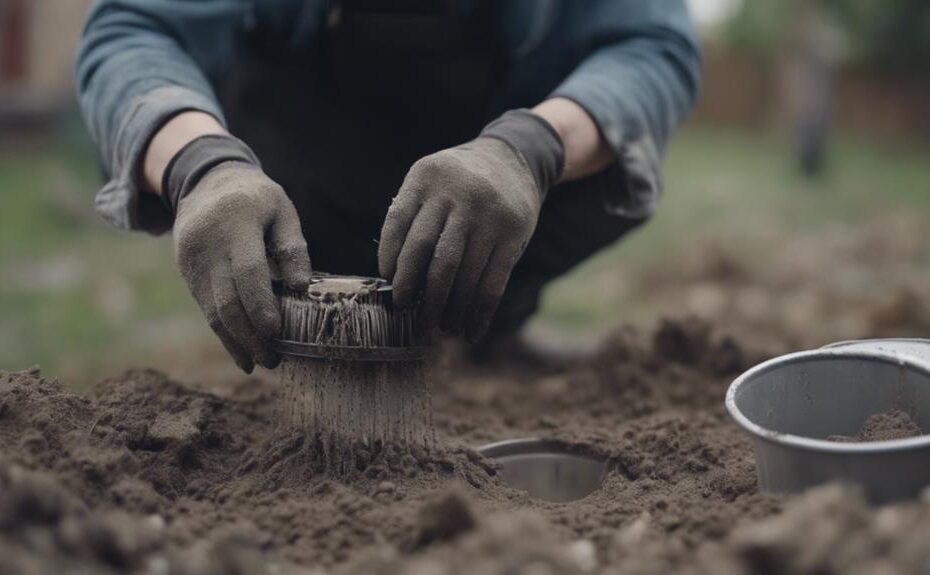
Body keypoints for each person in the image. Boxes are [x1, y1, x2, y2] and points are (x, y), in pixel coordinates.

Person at [76, 0, 700, 373]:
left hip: (502, 173)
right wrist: (201, 164)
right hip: (296, 171)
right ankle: (307, 333)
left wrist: (531, 147)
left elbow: (649, 46)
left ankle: (482, 330)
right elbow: (135, 26)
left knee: (598, 132)